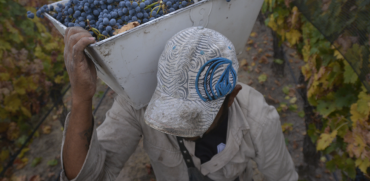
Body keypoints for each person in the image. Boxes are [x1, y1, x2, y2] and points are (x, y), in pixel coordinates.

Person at [61, 26, 298, 181]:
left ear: (231, 96)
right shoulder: (138, 103)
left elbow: (284, 177)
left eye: (194, 117)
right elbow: (89, 177)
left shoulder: (258, 118)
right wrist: (81, 98)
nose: (179, 126)